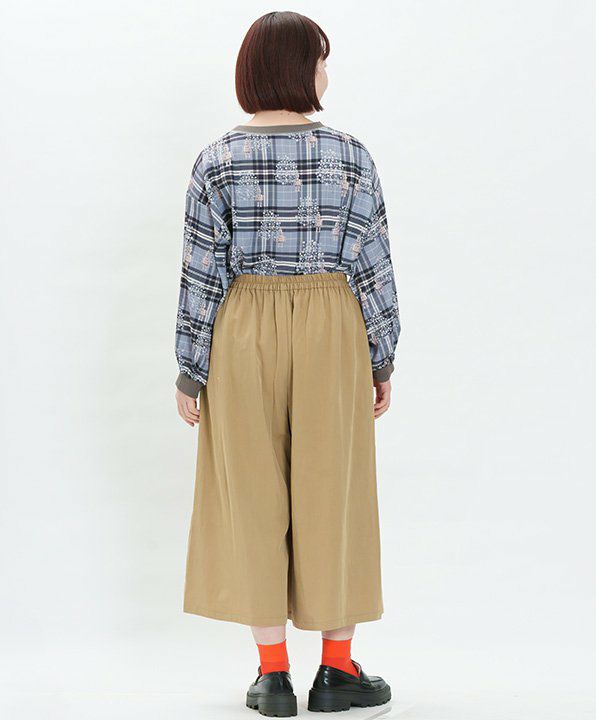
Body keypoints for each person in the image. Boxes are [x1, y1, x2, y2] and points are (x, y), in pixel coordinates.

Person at [174, 11, 400, 717]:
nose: (327, 73)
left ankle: (273, 676)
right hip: (333, 323)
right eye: (321, 60)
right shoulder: (351, 156)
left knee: (251, 491)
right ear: (300, 69)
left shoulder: (215, 159)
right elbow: (372, 264)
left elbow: (202, 272)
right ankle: (336, 669)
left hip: (242, 324)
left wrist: (190, 367)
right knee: (336, 489)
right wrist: (382, 356)